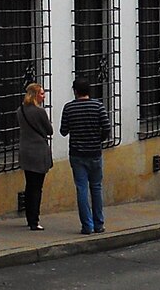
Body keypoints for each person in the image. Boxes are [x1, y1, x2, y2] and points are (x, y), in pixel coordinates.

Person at [61, 81, 110, 233]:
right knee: (96, 188)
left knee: (81, 188)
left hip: (77, 153)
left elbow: (63, 131)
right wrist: (98, 140)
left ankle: (87, 226)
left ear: (75, 91)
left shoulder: (69, 107)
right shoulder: (98, 106)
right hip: (95, 152)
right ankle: (99, 224)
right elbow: (107, 127)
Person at [18, 83, 55, 231]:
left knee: (29, 185)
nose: (44, 96)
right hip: (38, 151)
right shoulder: (40, 112)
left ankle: (29, 218)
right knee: (37, 188)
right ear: (34, 95)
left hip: (25, 151)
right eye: (41, 93)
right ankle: (34, 220)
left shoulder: (20, 110)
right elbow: (49, 130)